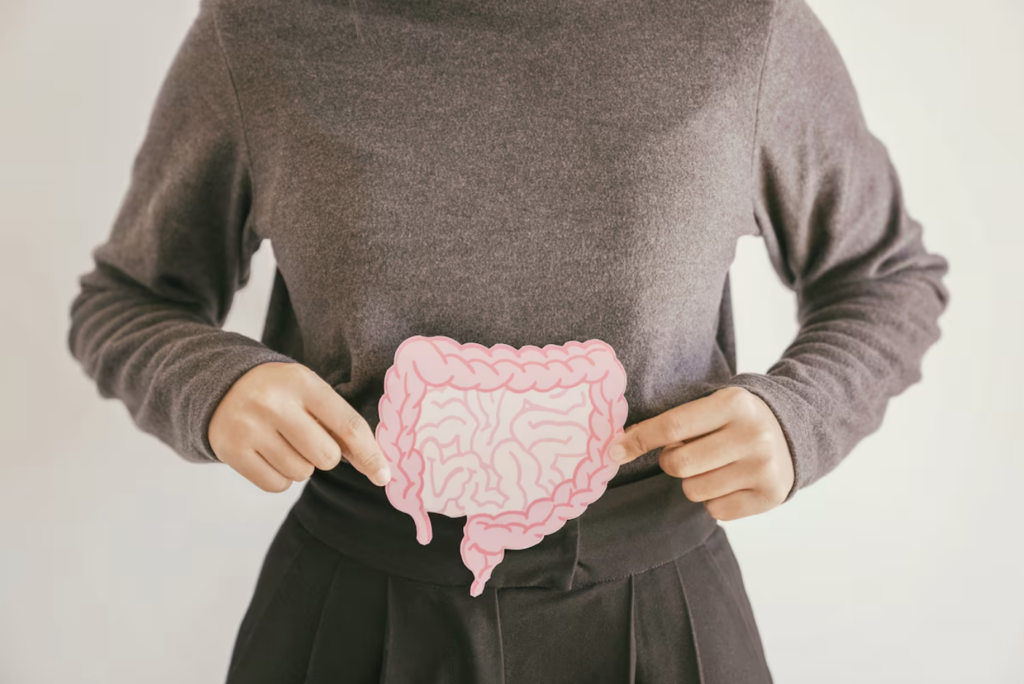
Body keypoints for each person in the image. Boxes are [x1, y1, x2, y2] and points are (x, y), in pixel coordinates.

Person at [66, 0, 950, 681]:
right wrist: (209, 383)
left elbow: (886, 278)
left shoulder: (743, 26)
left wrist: (802, 415)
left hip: (661, 610)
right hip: (354, 607)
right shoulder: (260, 30)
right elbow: (128, 298)